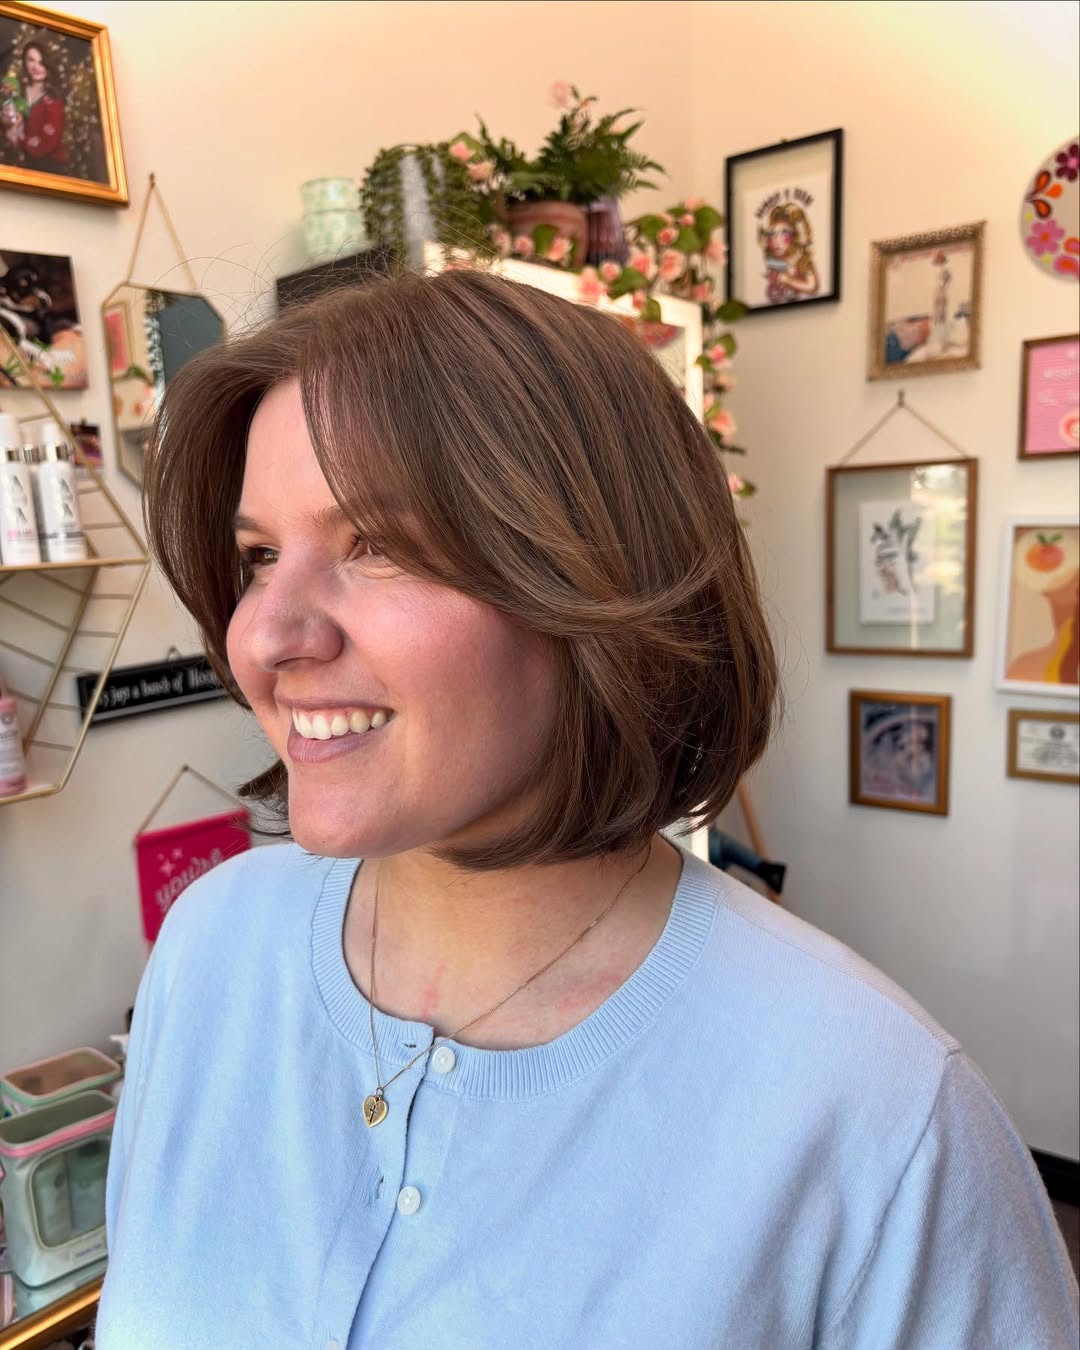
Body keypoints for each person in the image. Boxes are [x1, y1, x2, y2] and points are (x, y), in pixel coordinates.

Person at [96, 267, 1079, 1347]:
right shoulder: (212, 947)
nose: (267, 639)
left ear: (594, 579)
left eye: (378, 544)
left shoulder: (878, 1119)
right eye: (259, 556)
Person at [2, 42, 66, 172]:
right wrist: (4, 121)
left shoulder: (54, 101)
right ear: (24, 62)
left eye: (41, 62)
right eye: (31, 60)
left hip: (45, 170)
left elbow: (45, 144)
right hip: (11, 165)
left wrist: (19, 140)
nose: (36, 67)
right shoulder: (16, 90)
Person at [758, 202, 820, 302]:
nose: (776, 240)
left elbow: (812, 285)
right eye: (773, 233)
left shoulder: (803, 259)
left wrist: (789, 280)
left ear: (796, 235)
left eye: (784, 233)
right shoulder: (775, 262)